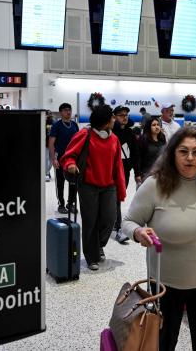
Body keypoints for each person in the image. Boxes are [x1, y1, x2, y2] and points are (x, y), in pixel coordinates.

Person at [122, 128, 196, 351]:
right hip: (165, 284)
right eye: (183, 151)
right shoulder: (155, 185)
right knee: (162, 342)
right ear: (172, 154)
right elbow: (129, 221)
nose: (190, 158)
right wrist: (138, 232)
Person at [61, 105, 126, 271]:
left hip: (109, 186)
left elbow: (118, 165)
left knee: (109, 219)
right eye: (112, 117)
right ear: (105, 122)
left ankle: (98, 245)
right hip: (88, 186)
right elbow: (68, 155)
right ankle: (91, 257)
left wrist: (121, 189)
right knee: (90, 222)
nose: (114, 120)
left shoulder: (114, 139)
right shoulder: (85, 134)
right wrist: (70, 165)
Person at [112, 105, 141, 244]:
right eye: (121, 115)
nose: (124, 117)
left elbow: (135, 154)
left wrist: (137, 173)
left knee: (118, 198)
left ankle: (114, 223)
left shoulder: (130, 133)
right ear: (114, 116)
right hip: (111, 172)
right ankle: (118, 228)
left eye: (126, 115)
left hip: (126, 171)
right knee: (115, 198)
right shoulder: (110, 132)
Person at [49, 103, 80, 214]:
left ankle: (70, 203)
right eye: (66, 110)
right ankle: (61, 204)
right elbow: (51, 143)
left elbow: (79, 142)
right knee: (60, 183)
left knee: (73, 182)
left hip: (72, 159)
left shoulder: (75, 125)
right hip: (60, 158)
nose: (68, 112)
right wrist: (53, 159)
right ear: (61, 112)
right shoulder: (56, 125)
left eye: (70, 110)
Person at [138, 116, 166, 180]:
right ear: (148, 127)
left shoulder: (162, 138)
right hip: (146, 174)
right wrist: (138, 174)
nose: (157, 127)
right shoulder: (143, 139)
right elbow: (138, 158)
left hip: (160, 173)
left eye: (158, 125)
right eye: (153, 125)